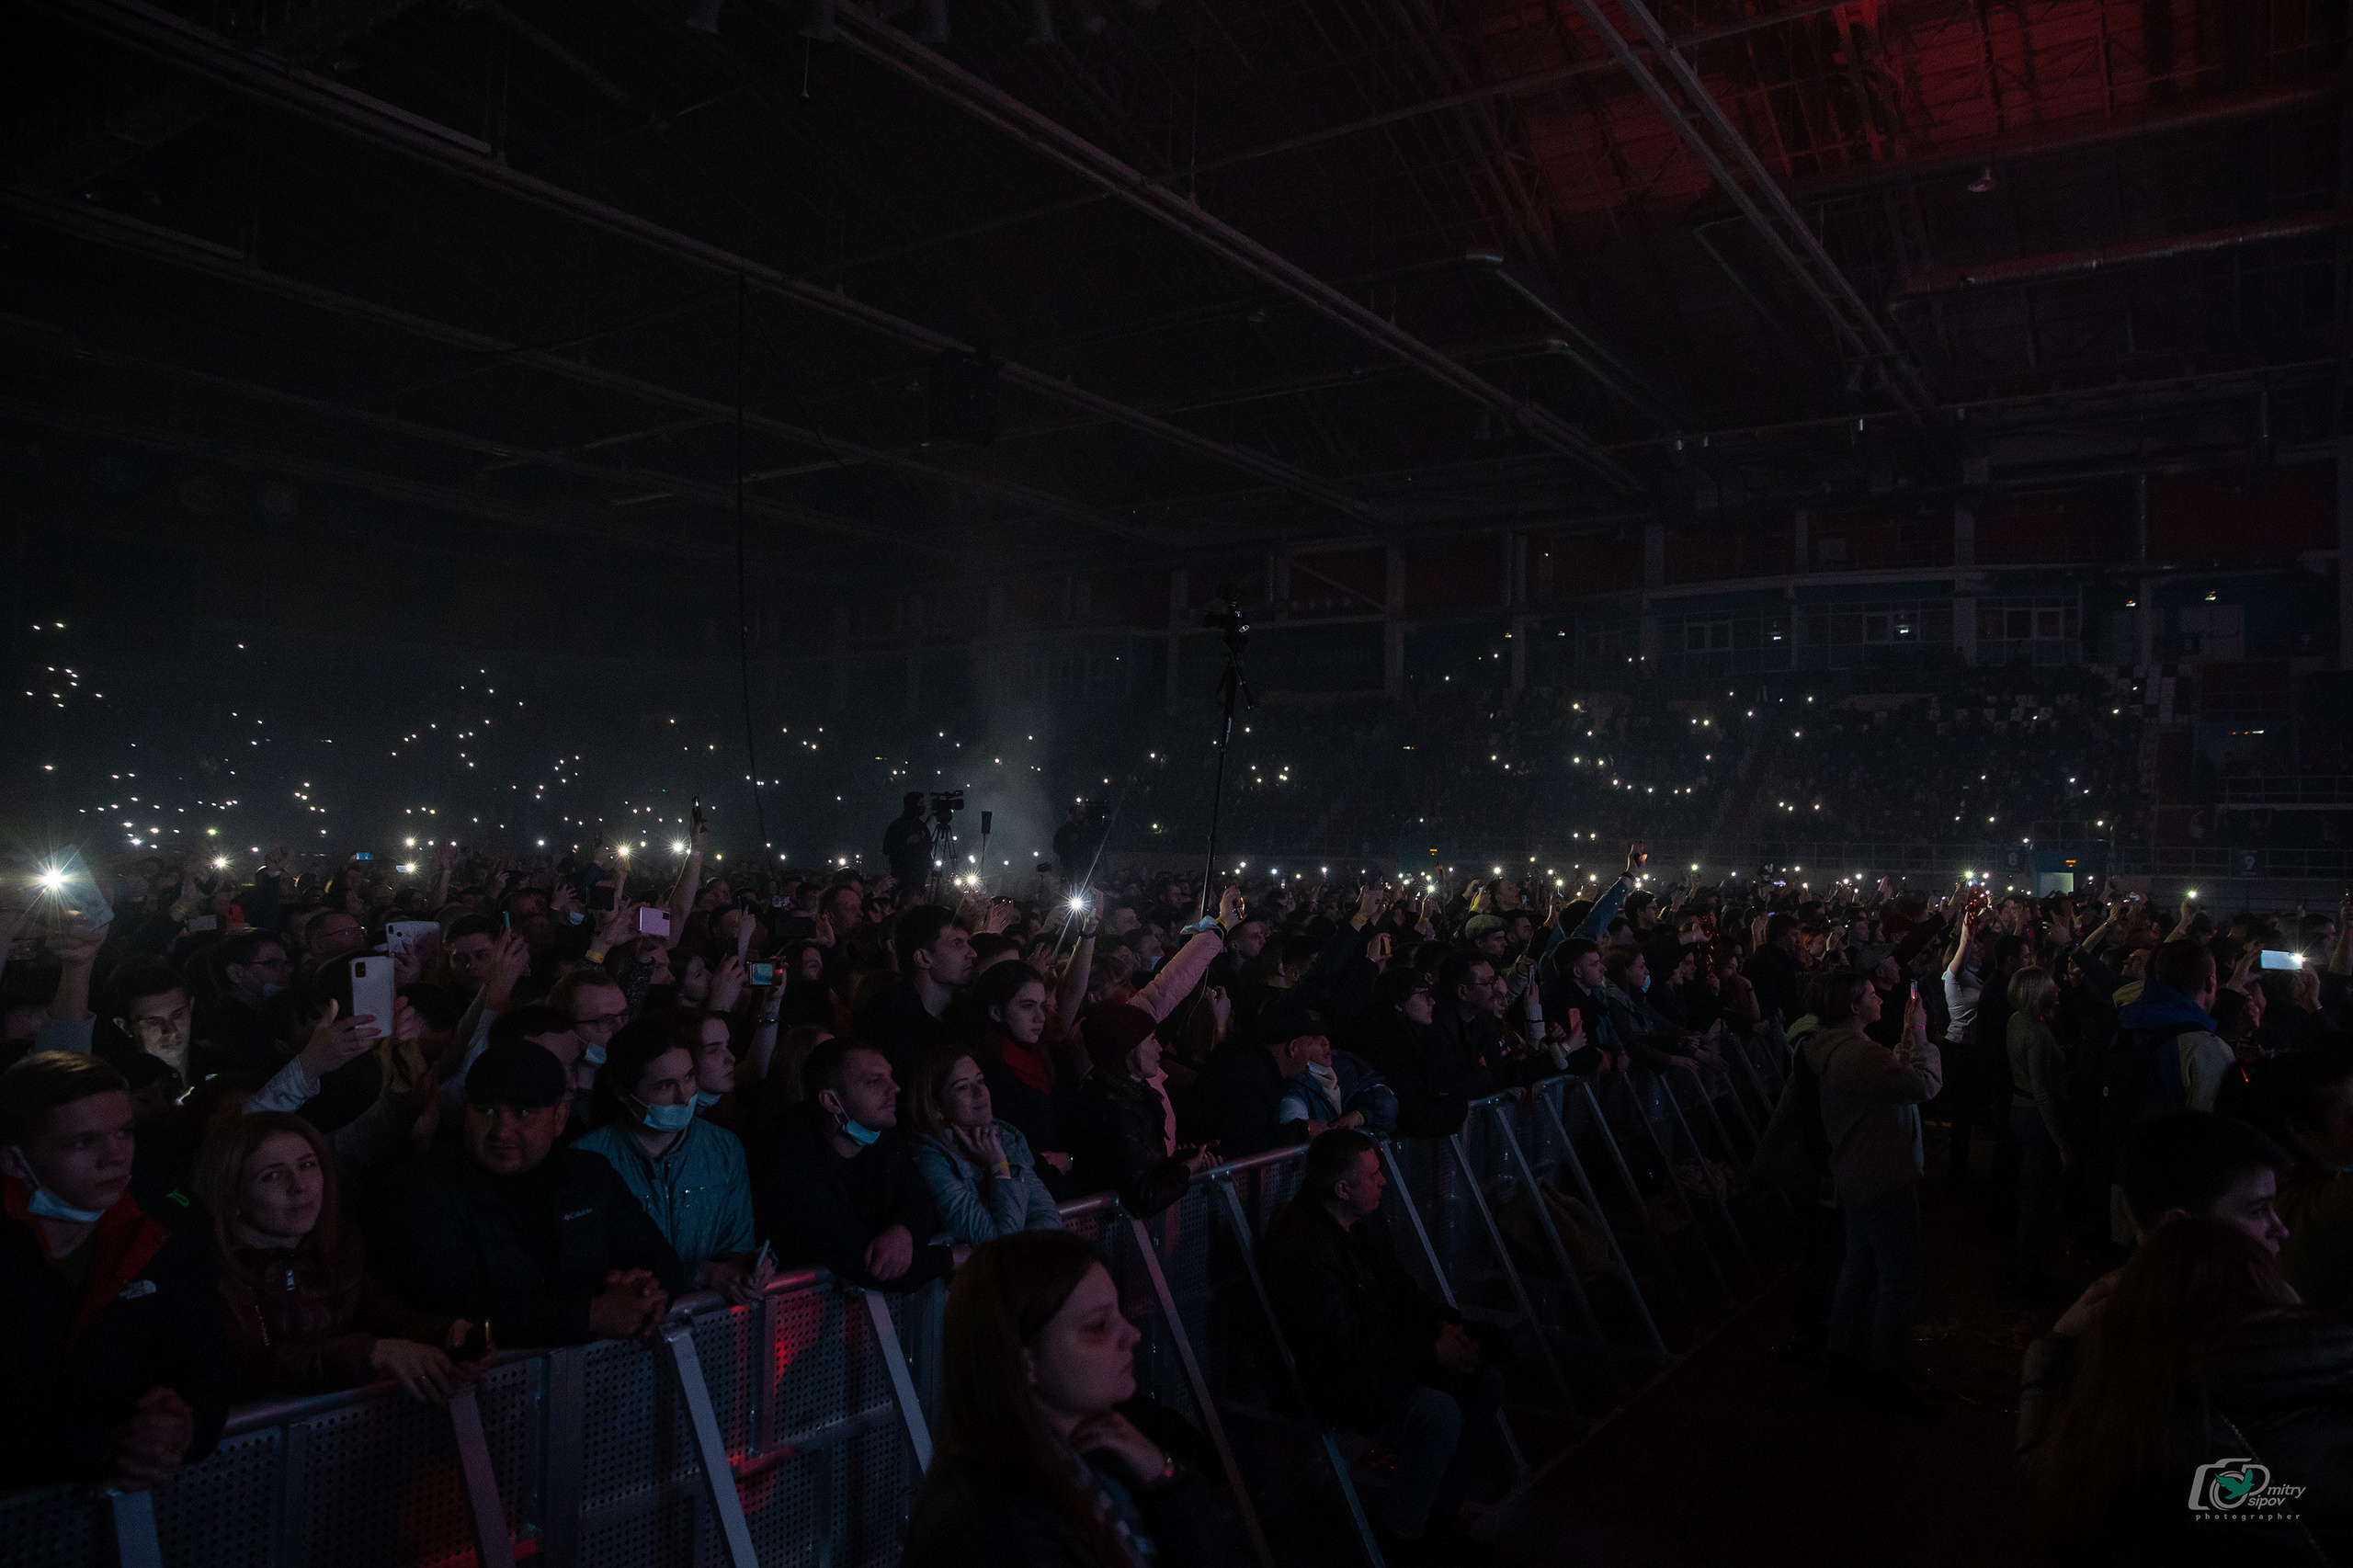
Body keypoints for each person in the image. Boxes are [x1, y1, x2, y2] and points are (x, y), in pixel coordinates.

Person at [902, 1230, 1245, 1568]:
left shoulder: (1113, 1438)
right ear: (1025, 1361)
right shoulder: (993, 1528)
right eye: (1097, 1325)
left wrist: (1161, 1472)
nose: (1132, 1334)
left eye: (1119, 1314)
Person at [2019, 1217, 2353, 1564]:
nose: (2281, 1229)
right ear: (2257, 1294)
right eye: (2259, 1207)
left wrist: (2054, 1347)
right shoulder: (2314, 1417)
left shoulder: (2115, 1438)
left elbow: (2041, 1469)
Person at [1262, 1131, 1501, 1564]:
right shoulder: (1305, 1248)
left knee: (1485, 1376)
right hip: (1338, 1377)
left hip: (1381, 1355)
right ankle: (1404, 1538)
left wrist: (1448, 1328)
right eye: (1374, 1175)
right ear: (1342, 1189)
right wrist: (1432, 1351)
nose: (1385, 1182)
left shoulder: (1365, 1221)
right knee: (1438, 1413)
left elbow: (1400, 1290)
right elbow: (1343, 1345)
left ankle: (1439, 1516)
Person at [0, 1051, 230, 1489]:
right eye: (83, 1142)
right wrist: (98, 1447)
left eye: (125, 1132)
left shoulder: (168, 1226)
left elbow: (204, 1363)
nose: (117, 1156)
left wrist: (184, 1426)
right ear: (14, 1161)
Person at [377, 1039, 688, 1346]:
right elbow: (452, 1304)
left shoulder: (589, 1176)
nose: (501, 1130)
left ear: (559, 1117)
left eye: (523, 1113)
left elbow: (658, 1256)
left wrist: (648, 1294)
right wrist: (589, 1314)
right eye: (485, 1110)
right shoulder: (422, 1188)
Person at [188, 1110, 475, 1402]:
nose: (300, 1186)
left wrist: (447, 1333)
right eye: (272, 1176)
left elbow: (383, 1314)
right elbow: (244, 1368)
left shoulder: (340, 1244)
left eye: (308, 1165)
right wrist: (371, 1353)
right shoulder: (202, 1269)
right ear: (231, 1194)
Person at [1804, 971, 1941, 1406]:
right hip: (1883, 1174)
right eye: (1870, 994)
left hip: (1860, 1172)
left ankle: (1842, 1353)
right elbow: (1920, 1084)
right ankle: (1887, 1373)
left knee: (1860, 1267)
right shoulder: (1855, 1056)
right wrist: (1919, 1032)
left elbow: (1890, 1076)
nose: (1880, 997)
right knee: (1899, 1276)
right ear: (1852, 1006)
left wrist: (1904, 1035)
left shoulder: (1840, 1049)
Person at [574, 1017, 767, 1302]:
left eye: (688, 1078)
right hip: (627, 1331)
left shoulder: (724, 1148)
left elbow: (737, 1241)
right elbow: (589, 1268)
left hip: (710, 1321)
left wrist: (748, 1266)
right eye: (665, 1086)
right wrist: (697, 1273)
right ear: (624, 1094)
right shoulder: (588, 1158)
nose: (684, 1097)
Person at [761, 1037, 965, 1291]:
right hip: (795, 1315)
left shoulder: (883, 1134)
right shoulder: (788, 1152)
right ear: (831, 1101)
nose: (895, 1088)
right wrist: (959, 1257)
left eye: (890, 1077)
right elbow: (859, 1260)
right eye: (874, 1081)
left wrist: (904, 1231)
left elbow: (921, 1201)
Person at [1072, 1005, 1217, 1221]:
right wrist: (1186, 1169)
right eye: (1151, 1039)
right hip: (1113, 1233)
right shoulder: (1116, 1107)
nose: (1160, 1048)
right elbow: (1143, 1196)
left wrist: (1178, 1161)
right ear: (1129, 1049)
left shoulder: (1129, 1095)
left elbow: (1137, 1167)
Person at [906, 1051, 1063, 1244]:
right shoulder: (931, 1156)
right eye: (963, 1087)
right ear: (936, 1107)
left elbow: (1049, 1218)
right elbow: (996, 1243)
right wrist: (999, 1167)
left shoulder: (1003, 1138)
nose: (980, 1092)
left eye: (980, 1081)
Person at [2006, 965, 2069, 1296]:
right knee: (2038, 1198)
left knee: (2030, 1189)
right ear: (2037, 993)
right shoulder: (2037, 1032)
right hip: (2036, 1117)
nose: (2057, 988)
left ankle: (2025, 1263)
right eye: (2050, 985)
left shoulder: (2017, 1020)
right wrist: (2061, 1141)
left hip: (2019, 1110)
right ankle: (2031, 1273)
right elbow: (2043, 1093)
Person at [853, 904, 973, 1073]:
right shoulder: (887, 1020)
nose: (972, 953)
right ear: (923, 958)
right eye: (957, 944)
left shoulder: (969, 1016)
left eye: (968, 943)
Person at [884, 792, 935, 888]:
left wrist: (928, 866)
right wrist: (906, 842)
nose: (924, 806)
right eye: (921, 803)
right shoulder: (897, 826)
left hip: (919, 875)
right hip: (902, 875)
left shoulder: (922, 826)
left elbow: (928, 848)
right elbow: (887, 848)